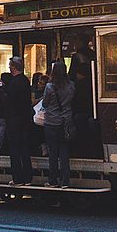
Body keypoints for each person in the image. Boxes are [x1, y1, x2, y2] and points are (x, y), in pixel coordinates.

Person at [0, 56, 33, 185]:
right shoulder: (25, 81)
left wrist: (0, 89)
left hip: (14, 119)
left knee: (15, 149)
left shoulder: (14, 83)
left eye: (10, 66)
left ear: (14, 67)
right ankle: (27, 177)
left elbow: (8, 101)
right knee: (24, 148)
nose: (9, 68)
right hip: (25, 118)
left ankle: (18, 178)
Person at [42, 60, 75, 188]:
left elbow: (45, 103)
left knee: (53, 153)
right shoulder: (71, 85)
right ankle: (65, 180)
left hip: (51, 121)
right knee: (64, 152)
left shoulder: (50, 87)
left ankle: (53, 180)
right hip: (66, 121)